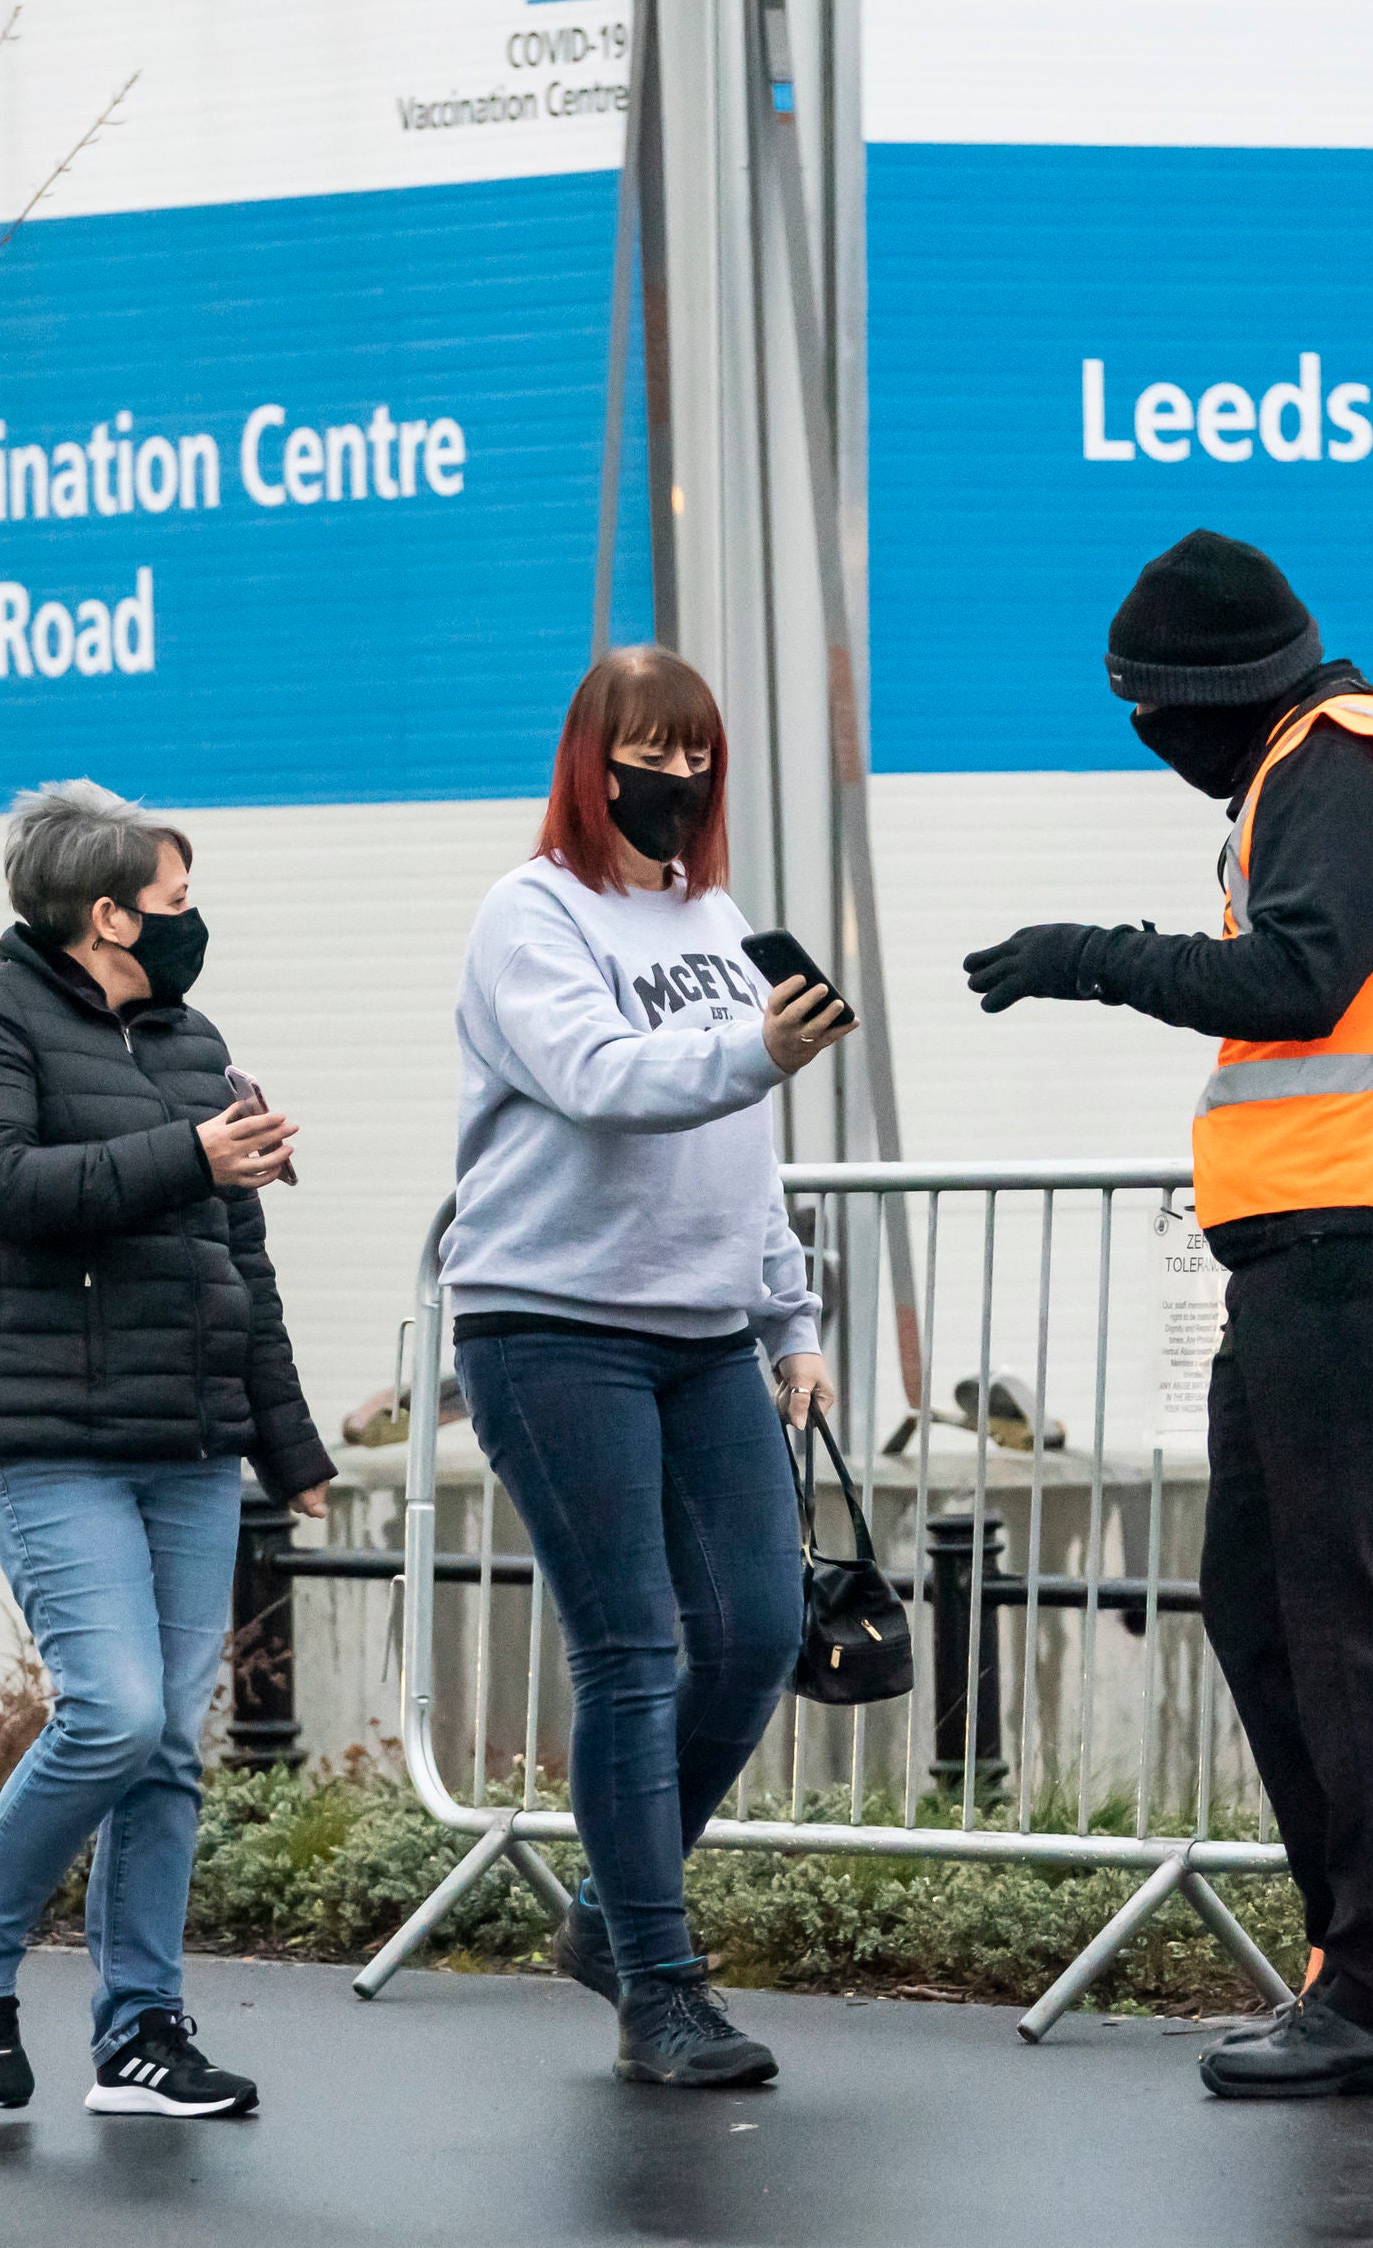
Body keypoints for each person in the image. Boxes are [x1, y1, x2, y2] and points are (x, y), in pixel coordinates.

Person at [962, 531, 1373, 2100]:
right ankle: (1364, 1959)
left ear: (1204, 694)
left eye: (1151, 714)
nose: (1153, 745)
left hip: (1352, 1255)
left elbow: (1297, 978)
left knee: (1334, 1621)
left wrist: (1087, 956)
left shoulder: (1342, 760)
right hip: (1326, 1247)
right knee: (1261, 1602)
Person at [440, 644, 853, 2089]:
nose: (674, 778)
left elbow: (746, 1151)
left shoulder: (711, 909)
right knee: (629, 1649)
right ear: (589, 757)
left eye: (697, 755)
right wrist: (756, 1048)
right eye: (648, 751)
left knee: (754, 1629)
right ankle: (658, 1986)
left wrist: (790, 1319)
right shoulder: (529, 914)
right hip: (549, 1322)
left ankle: (615, 1911)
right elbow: (602, 1077)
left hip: (701, 1330)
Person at [0, 779, 333, 2120]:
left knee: (171, 1746)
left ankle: (142, 2029)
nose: (195, 926)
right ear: (106, 912)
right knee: (116, 1709)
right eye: (178, 902)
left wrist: (293, 1445)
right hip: (50, 1433)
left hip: (189, 1436)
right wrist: (188, 1155)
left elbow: (238, 1266)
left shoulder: (197, 1043)